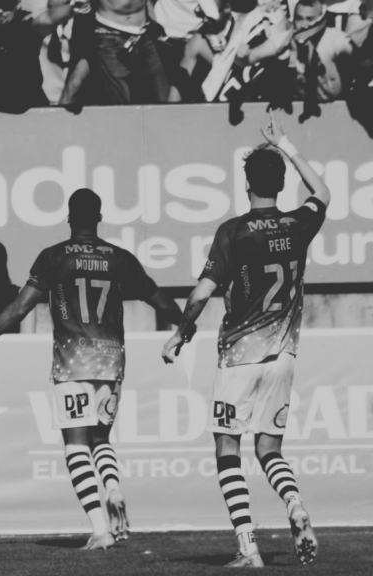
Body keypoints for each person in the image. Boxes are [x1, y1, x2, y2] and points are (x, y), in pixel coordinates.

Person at [0, 188, 184, 550]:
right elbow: (157, 298)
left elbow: (19, 309)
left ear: (68, 218)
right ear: (98, 218)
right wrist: (185, 324)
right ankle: (112, 486)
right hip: (111, 361)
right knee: (101, 439)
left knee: (75, 446)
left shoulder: (53, 258)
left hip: (71, 363)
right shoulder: (120, 258)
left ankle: (100, 529)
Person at [162, 113, 329, 568]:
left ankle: (248, 546)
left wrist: (181, 331)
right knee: (270, 449)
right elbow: (323, 193)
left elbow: (201, 292)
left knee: (226, 446)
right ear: (279, 184)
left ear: (246, 184)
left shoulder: (233, 232)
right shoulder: (298, 224)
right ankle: (293, 503)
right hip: (284, 357)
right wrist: (287, 144)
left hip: (239, 358)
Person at [63, 0, 176, 104]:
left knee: (163, 97)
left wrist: (155, 25)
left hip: (144, 33)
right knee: (120, 101)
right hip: (109, 34)